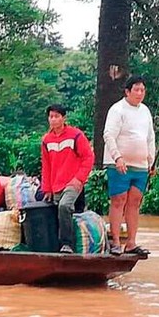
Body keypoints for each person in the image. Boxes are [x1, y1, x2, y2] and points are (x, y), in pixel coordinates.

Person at [103, 75, 156, 256]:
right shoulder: (117, 110)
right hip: (119, 164)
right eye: (136, 90)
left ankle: (132, 242)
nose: (140, 93)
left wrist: (152, 160)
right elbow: (109, 135)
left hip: (140, 165)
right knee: (118, 201)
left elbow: (150, 138)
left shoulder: (145, 111)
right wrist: (117, 157)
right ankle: (116, 242)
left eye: (142, 90)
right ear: (127, 91)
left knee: (134, 202)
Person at [40, 104, 95, 254]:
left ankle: (67, 244)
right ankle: (56, 244)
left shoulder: (76, 135)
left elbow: (88, 158)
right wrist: (47, 189)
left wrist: (79, 179)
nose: (53, 119)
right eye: (51, 116)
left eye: (57, 116)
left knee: (64, 206)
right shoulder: (46, 140)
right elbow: (46, 166)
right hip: (56, 184)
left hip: (73, 182)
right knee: (54, 212)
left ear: (64, 118)